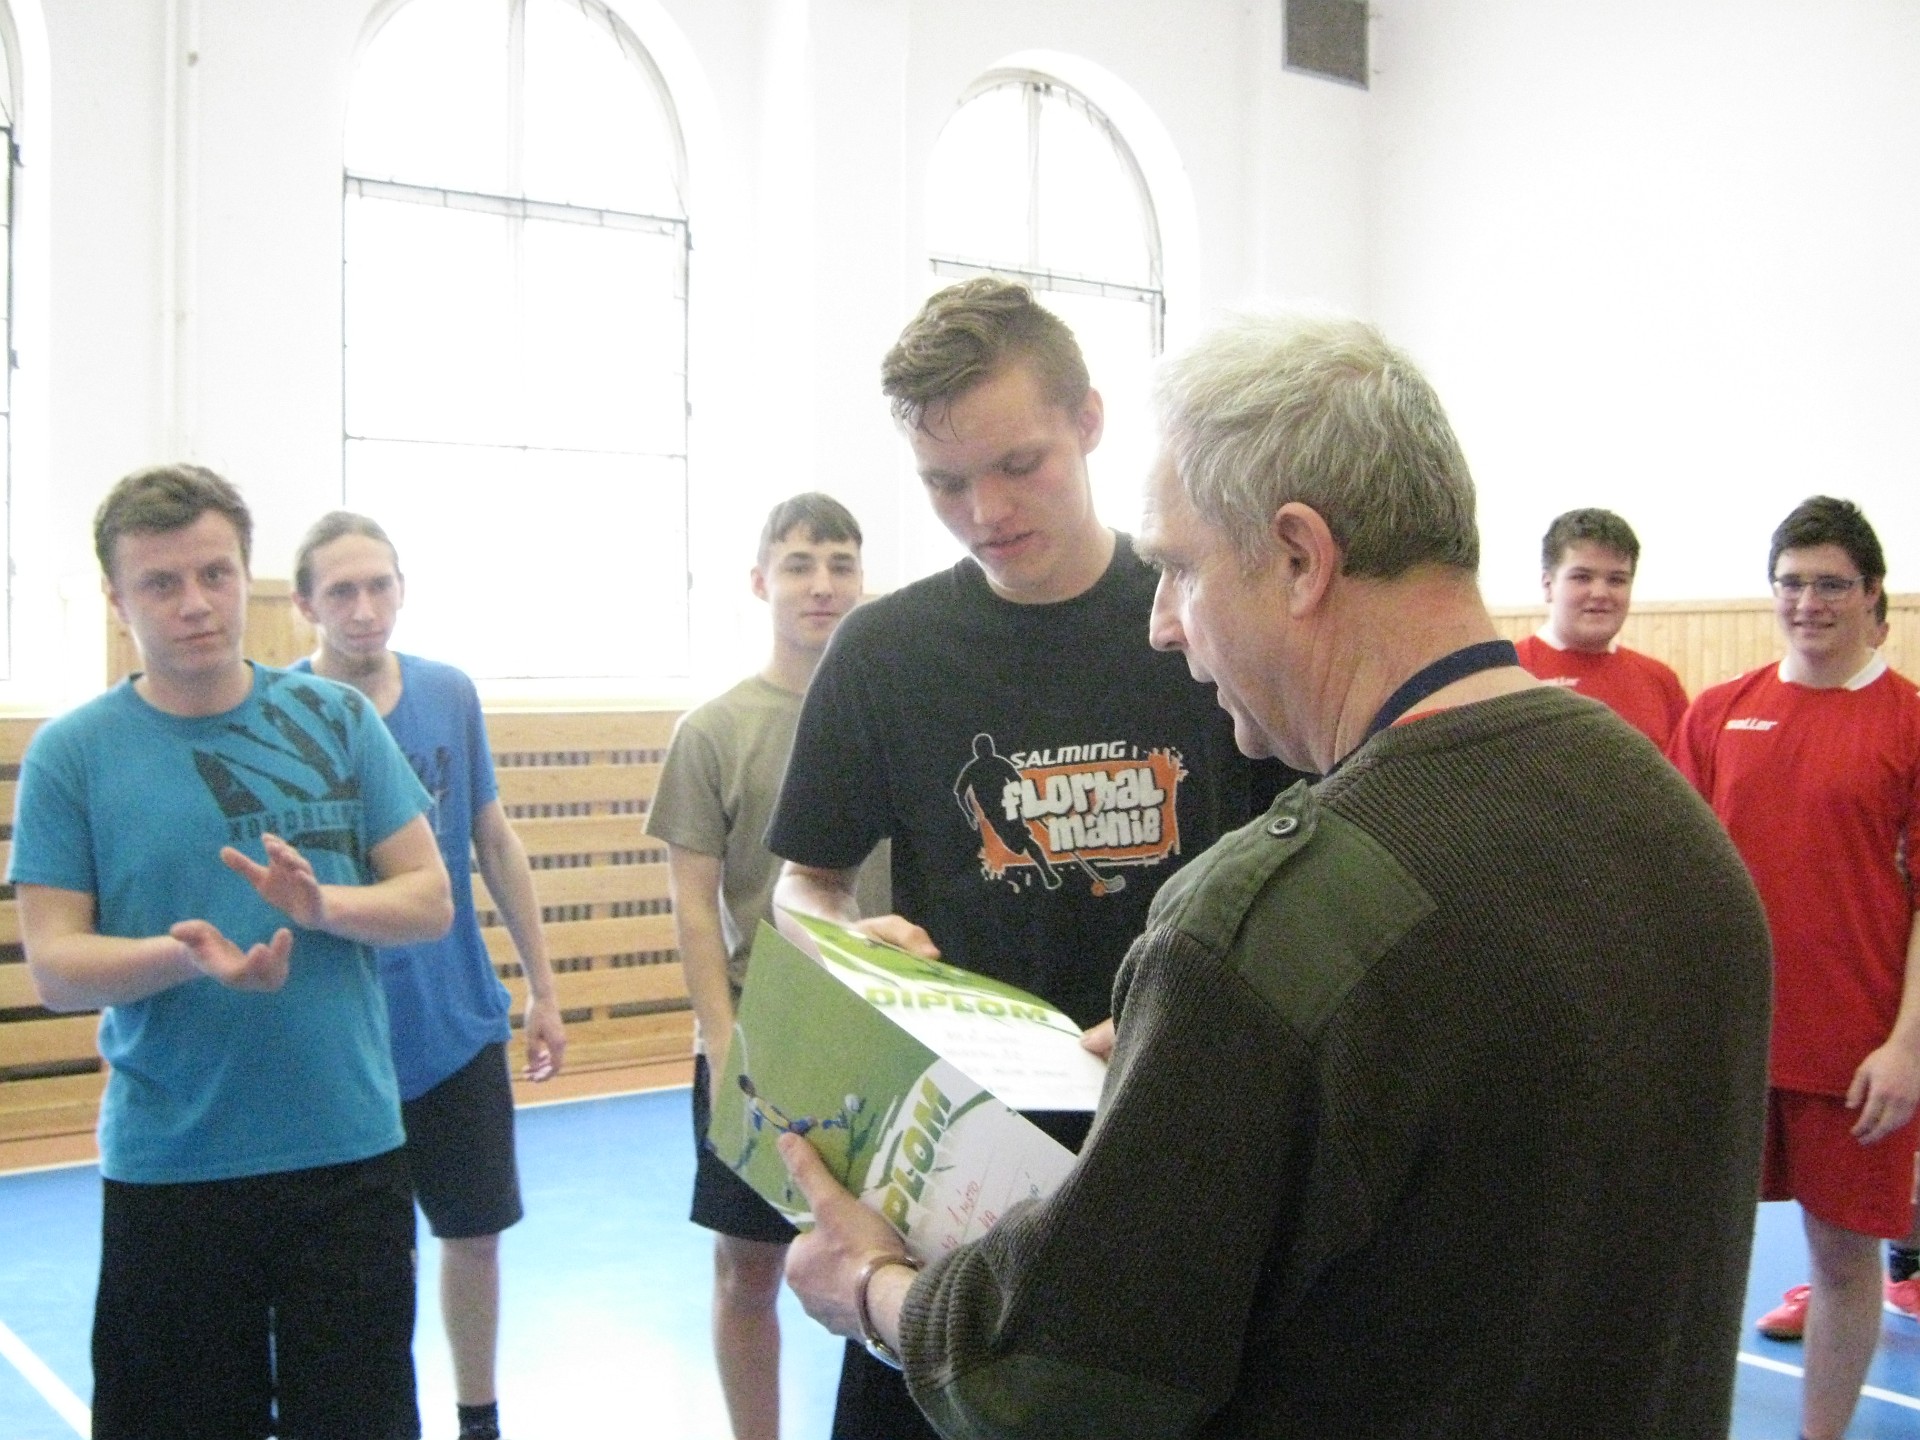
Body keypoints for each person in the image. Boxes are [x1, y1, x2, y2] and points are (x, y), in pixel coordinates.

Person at [780, 314, 1773, 1439]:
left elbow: (1053, 1380)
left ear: (1300, 558)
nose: (1163, 625)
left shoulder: (1268, 927)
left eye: (1180, 569)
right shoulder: (1680, 832)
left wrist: (872, 1288)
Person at [765, 279, 1290, 1440]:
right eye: (944, 483)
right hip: (954, 1160)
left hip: (1172, 1137)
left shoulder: (1199, 618)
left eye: (1019, 465)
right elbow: (805, 881)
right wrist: (843, 945)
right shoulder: (884, 651)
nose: (986, 511)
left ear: (1089, 421)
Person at [9, 465, 453, 1440]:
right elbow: (56, 967)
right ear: (117, 600)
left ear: (248, 579)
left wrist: (321, 904)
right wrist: (186, 958)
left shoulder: (335, 720)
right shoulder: (72, 755)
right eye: (161, 583)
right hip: (173, 1167)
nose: (195, 603)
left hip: (347, 1156)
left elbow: (429, 902)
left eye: (215, 574)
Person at [285, 511, 566, 1440]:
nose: (365, 608)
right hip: (339, 1035)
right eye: (342, 591)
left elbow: (493, 838)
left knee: (473, 1234)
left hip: (454, 1022)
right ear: (305, 605)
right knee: (360, 1262)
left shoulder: (448, 693)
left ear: (402, 589)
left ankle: (478, 1417)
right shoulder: (280, 712)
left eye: (380, 586)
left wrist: (543, 987)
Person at [1671, 496, 1920, 1440]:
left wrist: (1907, 1048)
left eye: (1831, 585)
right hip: (1732, 1044)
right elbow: (1679, 877)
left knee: (1844, 1262)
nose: (1808, 603)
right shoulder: (1720, 713)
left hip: (1853, 1056)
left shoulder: (1908, 723)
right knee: (1699, 1258)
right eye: (1792, 583)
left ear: (1871, 595)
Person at [644, 493, 889, 1440]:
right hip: (765, 1038)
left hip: (885, 1039)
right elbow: (693, 905)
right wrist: (723, 1046)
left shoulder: (892, 716)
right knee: (747, 1269)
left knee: (902, 1264)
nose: (821, 585)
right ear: (760, 582)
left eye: (840, 563)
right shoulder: (714, 730)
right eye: (798, 564)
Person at [1513, 507, 1688, 747]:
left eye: (1616, 580)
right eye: (1582, 577)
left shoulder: (1660, 681)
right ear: (1548, 585)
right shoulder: (1509, 673)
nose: (1600, 593)